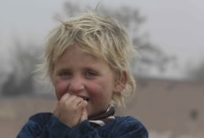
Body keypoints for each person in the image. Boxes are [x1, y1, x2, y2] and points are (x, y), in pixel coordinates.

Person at [17, 11, 148, 138]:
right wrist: (59, 128)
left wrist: (78, 130)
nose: (75, 86)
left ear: (119, 81)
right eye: (65, 73)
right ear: (52, 77)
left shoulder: (129, 130)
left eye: (90, 73)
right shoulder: (37, 127)